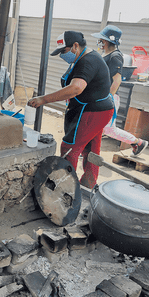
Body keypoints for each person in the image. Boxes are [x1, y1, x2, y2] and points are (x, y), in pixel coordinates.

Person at [27, 31, 114, 189]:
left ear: (75, 46)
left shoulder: (87, 61)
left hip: (91, 112)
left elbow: (75, 88)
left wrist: (43, 99)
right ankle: (87, 185)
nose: (62, 55)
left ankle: (64, 188)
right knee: (91, 149)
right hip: (99, 110)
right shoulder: (83, 57)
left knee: (69, 147)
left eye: (64, 51)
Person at [92, 25, 148, 155]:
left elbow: (117, 80)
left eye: (101, 39)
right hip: (101, 97)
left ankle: (137, 142)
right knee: (96, 126)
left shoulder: (115, 56)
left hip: (109, 98)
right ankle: (89, 150)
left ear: (105, 41)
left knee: (109, 129)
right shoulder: (105, 54)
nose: (99, 42)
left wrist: (106, 98)